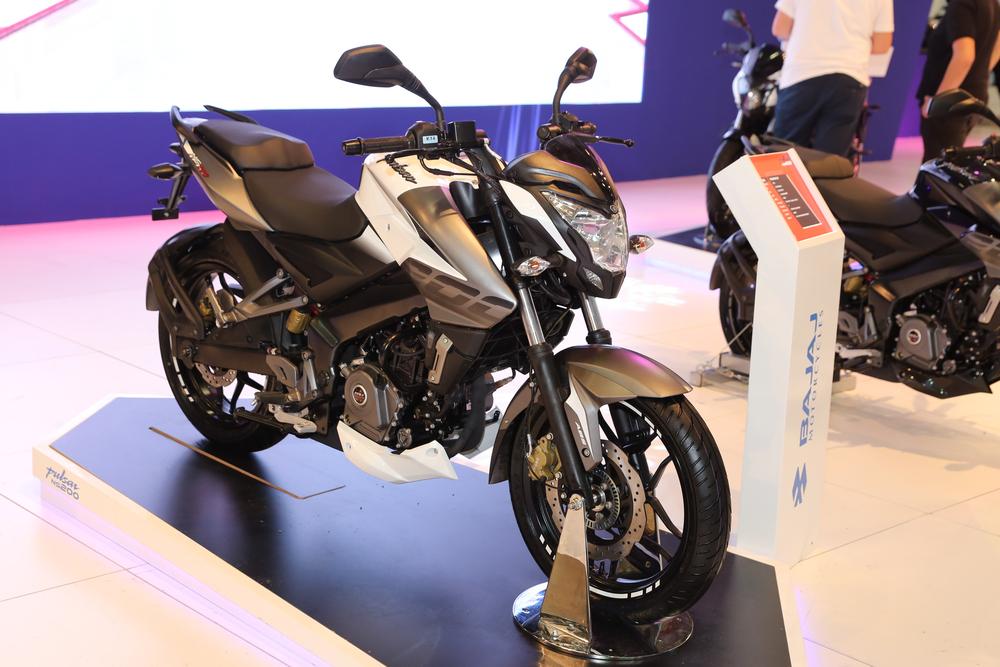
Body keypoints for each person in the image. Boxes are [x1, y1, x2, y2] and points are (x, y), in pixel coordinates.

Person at [769, 0, 894, 157]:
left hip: (802, 74)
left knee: (784, 156)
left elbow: (780, 28)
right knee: (829, 161)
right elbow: (882, 44)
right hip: (849, 78)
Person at [917, 0, 1000, 162]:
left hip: (951, 104)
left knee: (937, 167)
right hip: (972, 97)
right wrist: (980, 73)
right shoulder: (991, 3)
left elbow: (964, 56)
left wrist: (938, 102)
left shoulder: (962, 3)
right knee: (947, 164)